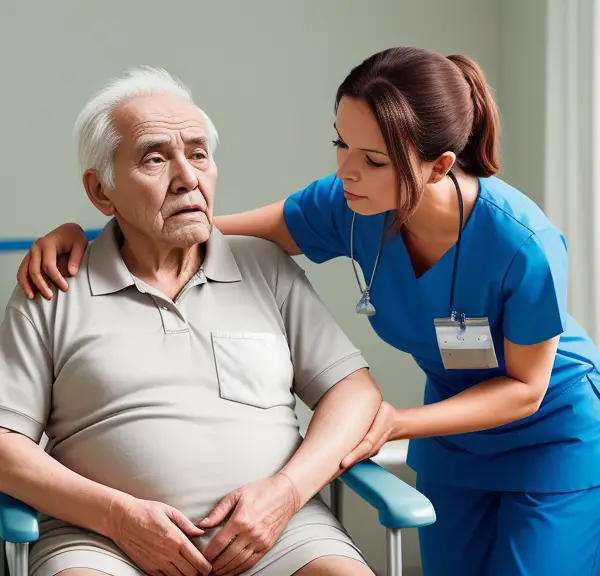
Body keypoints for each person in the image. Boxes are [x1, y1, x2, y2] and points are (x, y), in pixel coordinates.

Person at [16, 46, 600, 576]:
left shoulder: (525, 246)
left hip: (547, 432)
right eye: (340, 144)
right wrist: (94, 233)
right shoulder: (349, 203)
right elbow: (200, 227)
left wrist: (388, 427)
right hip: (455, 434)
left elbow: (526, 388)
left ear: (440, 166)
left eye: (373, 158)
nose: (347, 170)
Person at [0, 66, 384, 576]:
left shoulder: (264, 266)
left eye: (199, 154)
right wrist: (118, 517)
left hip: (281, 534)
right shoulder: (53, 287)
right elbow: (5, 446)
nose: (188, 177)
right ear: (101, 192)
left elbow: (354, 393)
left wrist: (285, 495)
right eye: (155, 158)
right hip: (101, 541)